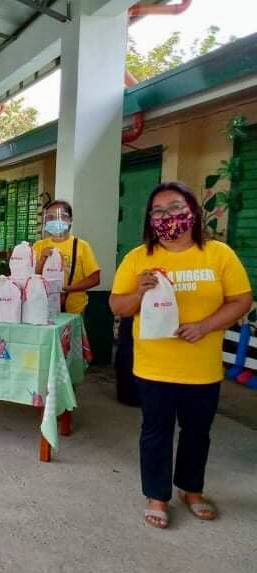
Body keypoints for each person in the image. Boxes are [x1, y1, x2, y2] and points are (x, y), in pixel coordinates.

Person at [109, 181, 252, 529]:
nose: (167, 217)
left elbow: (240, 300)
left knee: (196, 431)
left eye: (175, 207)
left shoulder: (218, 254)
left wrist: (205, 326)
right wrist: (140, 292)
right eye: (158, 211)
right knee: (155, 430)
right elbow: (117, 306)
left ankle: (191, 489)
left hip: (201, 367)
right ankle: (157, 495)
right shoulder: (138, 257)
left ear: (192, 211)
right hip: (154, 365)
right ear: (149, 220)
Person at [34, 200, 101, 313]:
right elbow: (31, 277)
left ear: (69, 220)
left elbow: (94, 279)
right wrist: (42, 261)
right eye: (50, 217)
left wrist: (66, 289)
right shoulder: (39, 246)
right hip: (42, 309)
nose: (55, 221)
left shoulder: (81, 246)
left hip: (75, 311)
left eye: (60, 217)